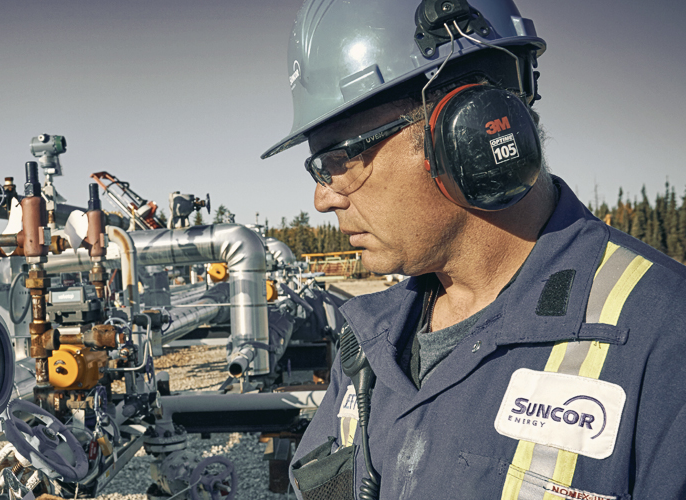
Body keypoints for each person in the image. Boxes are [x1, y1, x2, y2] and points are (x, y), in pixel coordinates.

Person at [261, 0, 686, 499]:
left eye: (340, 158)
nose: (323, 197)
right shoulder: (370, 340)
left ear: (466, 132)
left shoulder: (660, 334)